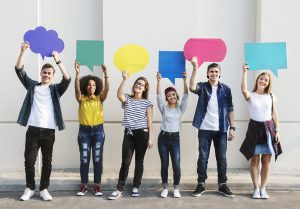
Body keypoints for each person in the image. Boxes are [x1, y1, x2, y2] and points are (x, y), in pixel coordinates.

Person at [16, 42, 71, 201]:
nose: (46, 75)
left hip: (49, 131)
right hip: (33, 129)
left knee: (47, 162)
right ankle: (30, 188)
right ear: (40, 74)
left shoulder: (55, 90)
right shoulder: (33, 86)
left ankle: (44, 189)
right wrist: (22, 52)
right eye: (44, 72)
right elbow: (19, 70)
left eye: (49, 73)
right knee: (29, 161)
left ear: (52, 76)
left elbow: (67, 79)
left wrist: (58, 61)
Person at [189, 57, 235, 198]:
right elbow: (192, 87)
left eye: (216, 71)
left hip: (221, 129)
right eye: (211, 72)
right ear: (207, 74)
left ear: (219, 74)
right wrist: (195, 68)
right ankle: (201, 184)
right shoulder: (203, 87)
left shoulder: (226, 89)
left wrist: (232, 127)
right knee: (203, 157)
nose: (214, 74)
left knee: (221, 158)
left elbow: (230, 108)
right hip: (205, 128)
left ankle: (222, 185)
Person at [108, 72, 153, 200]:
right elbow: (119, 94)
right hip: (129, 133)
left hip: (142, 134)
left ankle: (136, 186)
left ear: (145, 89)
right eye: (137, 83)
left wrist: (151, 138)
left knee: (139, 162)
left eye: (142, 84)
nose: (139, 85)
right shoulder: (127, 98)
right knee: (125, 162)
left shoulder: (147, 103)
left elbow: (150, 122)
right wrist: (124, 79)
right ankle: (119, 189)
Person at [240, 64, 281, 199]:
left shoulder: (271, 96)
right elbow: (243, 89)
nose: (263, 81)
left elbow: (274, 115)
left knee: (266, 162)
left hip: (269, 130)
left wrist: (278, 131)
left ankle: (263, 188)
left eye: (266, 80)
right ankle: (256, 188)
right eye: (261, 79)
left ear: (268, 83)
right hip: (254, 129)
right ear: (257, 80)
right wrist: (244, 72)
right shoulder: (251, 95)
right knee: (254, 161)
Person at [74, 62, 109, 196]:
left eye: (94, 85)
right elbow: (77, 90)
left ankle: (97, 186)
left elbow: (107, 90)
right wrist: (77, 74)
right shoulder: (81, 99)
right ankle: (84, 185)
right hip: (84, 132)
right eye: (89, 84)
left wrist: (106, 74)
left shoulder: (100, 98)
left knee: (97, 158)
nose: (91, 87)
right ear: (85, 86)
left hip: (98, 131)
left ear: (97, 86)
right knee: (84, 159)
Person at [156, 72, 188, 198]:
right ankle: (165, 188)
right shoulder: (163, 108)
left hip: (175, 138)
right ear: (167, 98)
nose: (172, 97)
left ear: (176, 96)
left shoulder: (180, 108)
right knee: (164, 164)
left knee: (176, 164)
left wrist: (185, 80)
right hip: (163, 138)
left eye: (173, 94)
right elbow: (158, 96)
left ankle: (176, 188)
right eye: (169, 95)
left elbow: (186, 95)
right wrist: (158, 81)